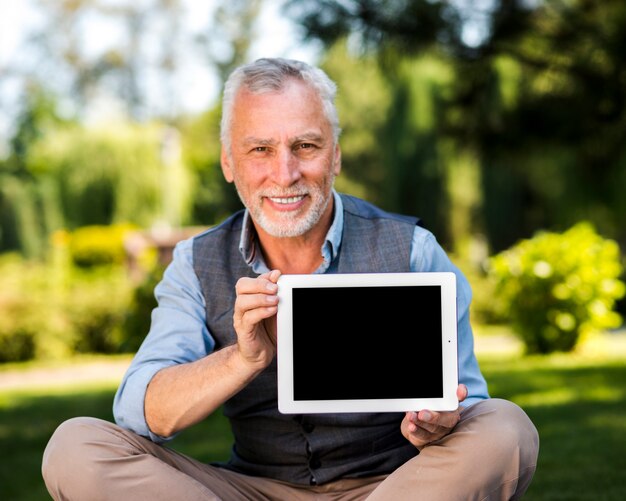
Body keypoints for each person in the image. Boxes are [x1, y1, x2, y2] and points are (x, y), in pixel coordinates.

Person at [42, 57, 539, 500]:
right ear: (228, 163)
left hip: (392, 486)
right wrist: (243, 358)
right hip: (249, 488)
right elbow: (142, 413)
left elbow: (465, 401)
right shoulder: (196, 262)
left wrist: (439, 425)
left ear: (336, 156)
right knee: (75, 448)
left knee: (505, 428)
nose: (284, 173)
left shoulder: (411, 250)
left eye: (305, 145)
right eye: (260, 149)